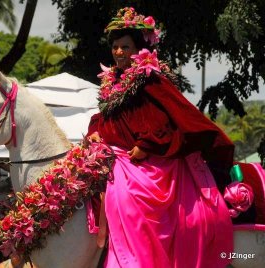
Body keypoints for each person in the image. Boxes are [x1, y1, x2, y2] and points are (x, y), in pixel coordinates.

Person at [87, 7, 234, 268]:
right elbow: (108, 119)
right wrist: (95, 133)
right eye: (116, 47)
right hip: (116, 158)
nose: (119, 52)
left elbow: (168, 118)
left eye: (125, 47)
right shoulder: (113, 83)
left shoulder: (151, 79)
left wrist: (146, 145)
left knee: (130, 199)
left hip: (148, 161)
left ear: (139, 49)